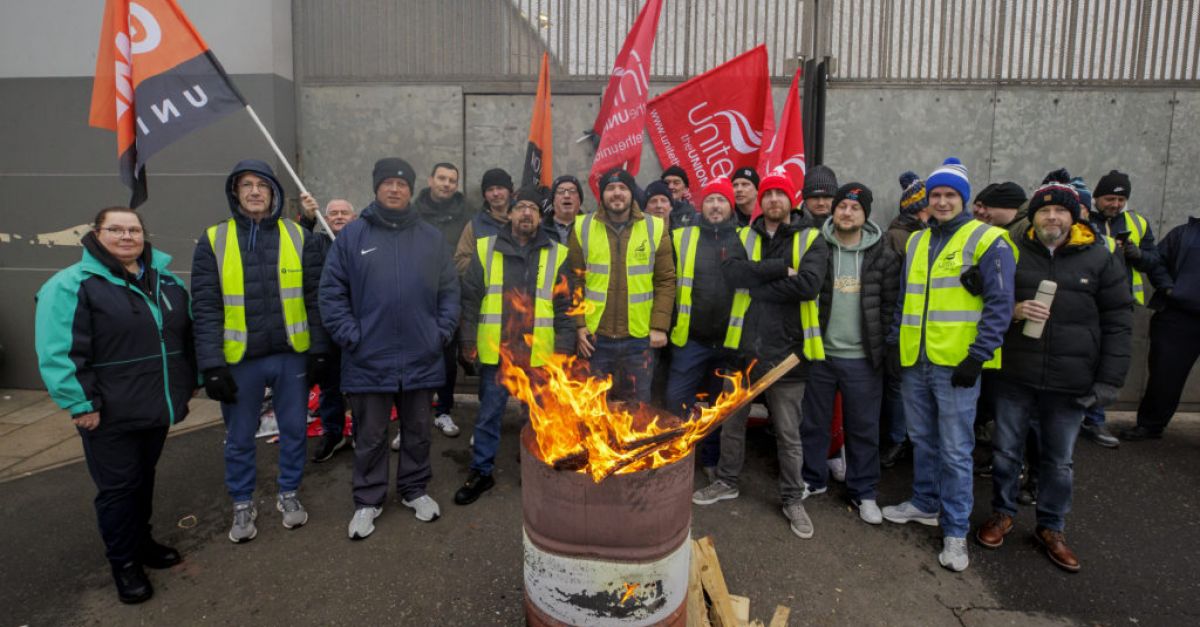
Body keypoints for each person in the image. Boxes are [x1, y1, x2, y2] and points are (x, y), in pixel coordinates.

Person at [35, 207, 195, 604]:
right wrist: (80, 403)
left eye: (134, 229)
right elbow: (59, 352)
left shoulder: (167, 281)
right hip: (107, 413)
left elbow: (184, 336)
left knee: (143, 479)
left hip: (155, 406)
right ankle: (124, 563)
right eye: (116, 229)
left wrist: (189, 382)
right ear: (96, 233)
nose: (127, 236)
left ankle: (143, 543)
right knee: (118, 489)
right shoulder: (73, 285)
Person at [976, 180, 1131, 573]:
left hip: (1070, 381)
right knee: (1006, 452)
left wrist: (1108, 381)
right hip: (1016, 374)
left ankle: (1051, 527)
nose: (1051, 217)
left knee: (1059, 461)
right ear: (1034, 215)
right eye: (1044, 210)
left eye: (1060, 210)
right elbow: (987, 299)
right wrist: (1014, 311)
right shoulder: (1012, 251)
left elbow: (1118, 322)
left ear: (1073, 215)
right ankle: (1002, 514)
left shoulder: (1099, 257)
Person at [882, 157, 1015, 573]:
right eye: (935, 195)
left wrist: (977, 356)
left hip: (956, 363)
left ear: (963, 199)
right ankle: (925, 502)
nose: (941, 202)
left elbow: (1000, 305)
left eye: (949, 195)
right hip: (915, 358)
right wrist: (893, 342)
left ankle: (955, 530)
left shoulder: (987, 240)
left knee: (956, 450)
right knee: (922, 438)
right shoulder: (919, 241)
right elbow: (907, 299)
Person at [320, 158, 460, 538]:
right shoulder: (352, 237)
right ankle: (368, 499)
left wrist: (440, 332)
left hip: (421, 355)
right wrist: (353, 336)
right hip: (369, 359)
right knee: (370, 435)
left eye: (401, 183)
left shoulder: (431, 238)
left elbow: (449, 291)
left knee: (417, 432)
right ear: (376, 188)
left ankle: (415, 490)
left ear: (411, 189)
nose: (394, 189)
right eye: (387, 183)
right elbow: (331, 294)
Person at [192, 160, 328, 543]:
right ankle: (242, 503)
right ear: (235, 193)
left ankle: (288, 493)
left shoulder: (299, 236)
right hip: (240, 361)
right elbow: (204, 307)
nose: (254, 191)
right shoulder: (214, 239)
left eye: (262, 185)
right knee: (238, 436)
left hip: (290, 356)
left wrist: (319, 350)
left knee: (294, 430)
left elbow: (315, 299)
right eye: (246, 185)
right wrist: (211, 365)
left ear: (274, 193)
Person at [692, 171, 829, 540]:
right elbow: (733, 275)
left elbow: (808, 285)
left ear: (791, 202)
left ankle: (791, 498)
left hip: (789, 355)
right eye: (767, 194)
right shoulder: (742, 236)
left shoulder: (811, 239)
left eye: (779, 195)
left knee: (788, 433)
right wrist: (775, 272)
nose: (772, 200)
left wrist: (759, 287)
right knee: (731, 424)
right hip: (743, 352)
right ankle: (727, 481)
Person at [455, 185, 575, 504]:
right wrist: (468, 341)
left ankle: (535, 470)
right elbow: (469, 301)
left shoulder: (557, 253)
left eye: (533, 209)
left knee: (537, 418)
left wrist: (562, 350)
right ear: (509, 212)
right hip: (497, 351)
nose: (526, 213)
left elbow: (564, 308)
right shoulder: (485, 248)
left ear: (540, 216)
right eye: (520, 207)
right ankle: (481, 472)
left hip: (538, 354)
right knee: (488, 416)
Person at [800, 183, 900, 525]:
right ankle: (812, 479)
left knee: (863, 428)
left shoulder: (883, 253)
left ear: (865, 214)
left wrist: (885, 348)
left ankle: (864, 491)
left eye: (855, 208)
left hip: (862, 358)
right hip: (821, 354)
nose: (846, 212)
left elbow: (890, 305)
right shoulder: (817, 246)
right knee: (814, 423)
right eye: (842, 206)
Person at [663, 178, 768, 478]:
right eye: (710, 200)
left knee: (717, 408)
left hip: (729, 342)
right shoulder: (681, 236)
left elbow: (759, 285)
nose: (715, 206)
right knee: (675, 400)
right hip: (690, 339)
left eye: (721, 200)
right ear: (701, 205)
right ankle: (676, 457)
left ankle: (710, 460)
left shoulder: (748, 238)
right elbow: (666, 283)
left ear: (730, 206)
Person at [567, 168, 675, 403]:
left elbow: (665, 281)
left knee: (637, 411)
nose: (617, 193)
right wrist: (579, 325)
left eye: (623, 188)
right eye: (610, 188)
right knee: (592, 409)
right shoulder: (582, 227)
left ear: (632, 193)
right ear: (601, 195)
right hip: (595, 339)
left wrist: (659, 326)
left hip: (639, 338)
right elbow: (574, 280)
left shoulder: (654, 228)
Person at [1120, 217, 1200, 441]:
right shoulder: (1183, 234)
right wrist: (1167, 288)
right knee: (1165, 375)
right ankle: (1151, 425)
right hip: (1178, 316)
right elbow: (1157, 262)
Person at [299, 197, 359, 462]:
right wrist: (308, 219)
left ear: (353, 217)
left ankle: (362, 433)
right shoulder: (316, 243)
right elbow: (296, 246)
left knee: (360, 388)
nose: (338, 216)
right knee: (329, 387)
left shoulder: (363, 243)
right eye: (332, 213)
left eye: (343, 212)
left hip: (358, 329)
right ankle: (334, 434)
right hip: (327, 330)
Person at [414, 162, 471, 439]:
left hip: (451, 295)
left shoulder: (467, 214)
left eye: (452, 180)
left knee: (447, 359)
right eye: (442, 178)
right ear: (430, 180)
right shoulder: (412, 212)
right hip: (416, 295)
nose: (446, 184)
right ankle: (414, 417)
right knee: (416, 356)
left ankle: (444, 411)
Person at [881, 171, 928, 468]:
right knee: (899, 386)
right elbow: (893, 286)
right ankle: (899, 440)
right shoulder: (902, 238)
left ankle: (904, 439)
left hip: (918, 326)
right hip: (903, 324)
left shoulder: (918, 234)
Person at [1090, 169, 1159, 307]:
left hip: (1123, 301)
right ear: (1096, 197)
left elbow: (1155, 261)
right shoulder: (1082, 218)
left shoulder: (1138, 222)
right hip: (1088, 299)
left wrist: (1138, 255)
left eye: (1121, 200)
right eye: (1109, 199)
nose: (1116, 204)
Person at [455, 168, 514, 274]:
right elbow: (460, 262)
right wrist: (490, 265)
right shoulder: (475, 225)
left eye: (500, 188)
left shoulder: (524, 219)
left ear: (509, 191)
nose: (495, 193)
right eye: (490, 189)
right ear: (485, 195)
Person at [542, 174, 585, 244]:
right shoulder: (539, 231)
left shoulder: (591, 228)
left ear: (579, 200)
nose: (566, 195)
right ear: (553, 201)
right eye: (560, 191)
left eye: (572, 191)